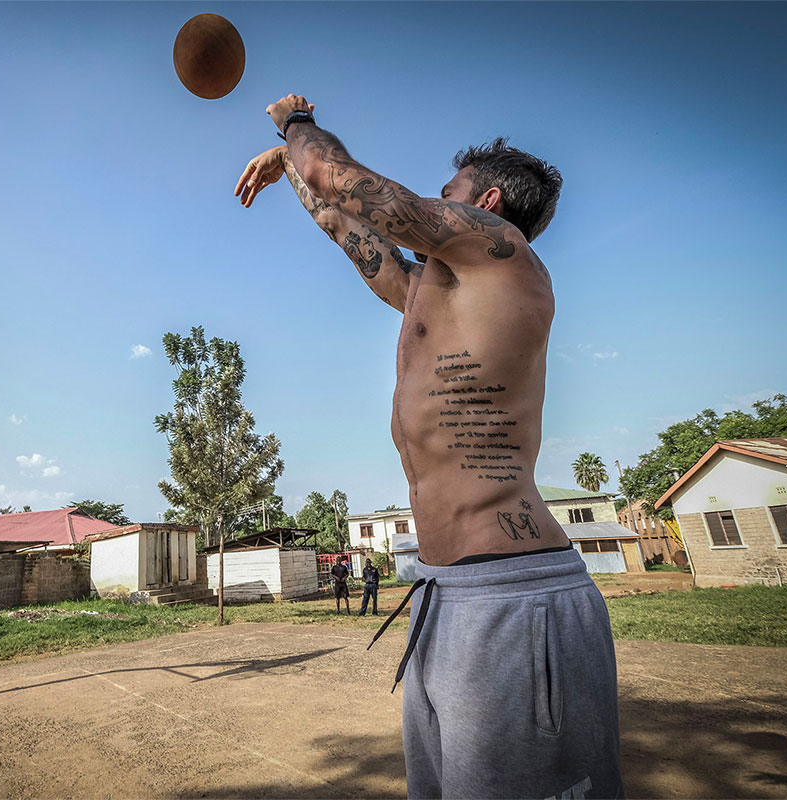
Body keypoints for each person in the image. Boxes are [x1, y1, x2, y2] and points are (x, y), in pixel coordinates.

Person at [236, 95, 624, 800]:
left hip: (516, 594)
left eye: (447, 194)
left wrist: (294, 124)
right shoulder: (429, 290)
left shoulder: (505, 256)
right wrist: (293, 167)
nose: (433, 202)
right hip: (444, 591)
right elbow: (336, 216)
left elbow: (344, 182)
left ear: (487, 203)